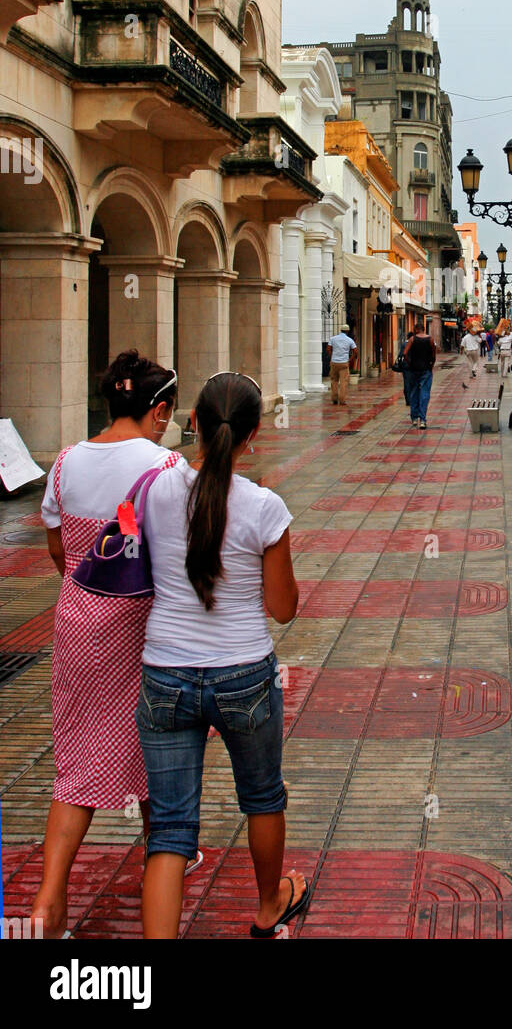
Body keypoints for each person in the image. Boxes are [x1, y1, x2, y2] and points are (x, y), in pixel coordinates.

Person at [136, 372, 304, 940]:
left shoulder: (156, 490)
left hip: (164, 673)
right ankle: (266, 907)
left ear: (194, 424)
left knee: (170, 831)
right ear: (254, 434)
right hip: (244, 674)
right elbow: (283, 609)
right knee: (262, 797)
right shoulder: (264, 507)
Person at [33, 350, 179, 939]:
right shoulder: (167, 466)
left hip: (77, 627)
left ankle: (47, 903)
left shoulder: (67, 462)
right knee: (155, 748)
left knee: (77, 764)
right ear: (159, 410)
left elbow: (57, 552)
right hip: (141, 631)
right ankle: (162, 863)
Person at [404, 321, 437, 429]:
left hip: (414, 370)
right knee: (424, 394)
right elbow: (433, 354)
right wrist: (431, 365)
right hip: (426, 369)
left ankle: (414, 419)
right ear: (423, 329)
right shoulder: (430, 339)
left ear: (416, 329)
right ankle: (423, 420)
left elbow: (405, 353)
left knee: (414, 393)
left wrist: (410, 363)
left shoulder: (412, 339)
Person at [327, 324, 357, 405]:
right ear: (347, 331)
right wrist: (350, 360)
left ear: (341, 330)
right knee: (343, 382)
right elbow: (355, 351)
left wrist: (332, 357)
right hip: (344, 363)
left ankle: (334, 399)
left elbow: (328, 349)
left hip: (334, 362)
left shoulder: (333, 338)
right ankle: (342, 400)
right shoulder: (350, 340)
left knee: (334, 381)